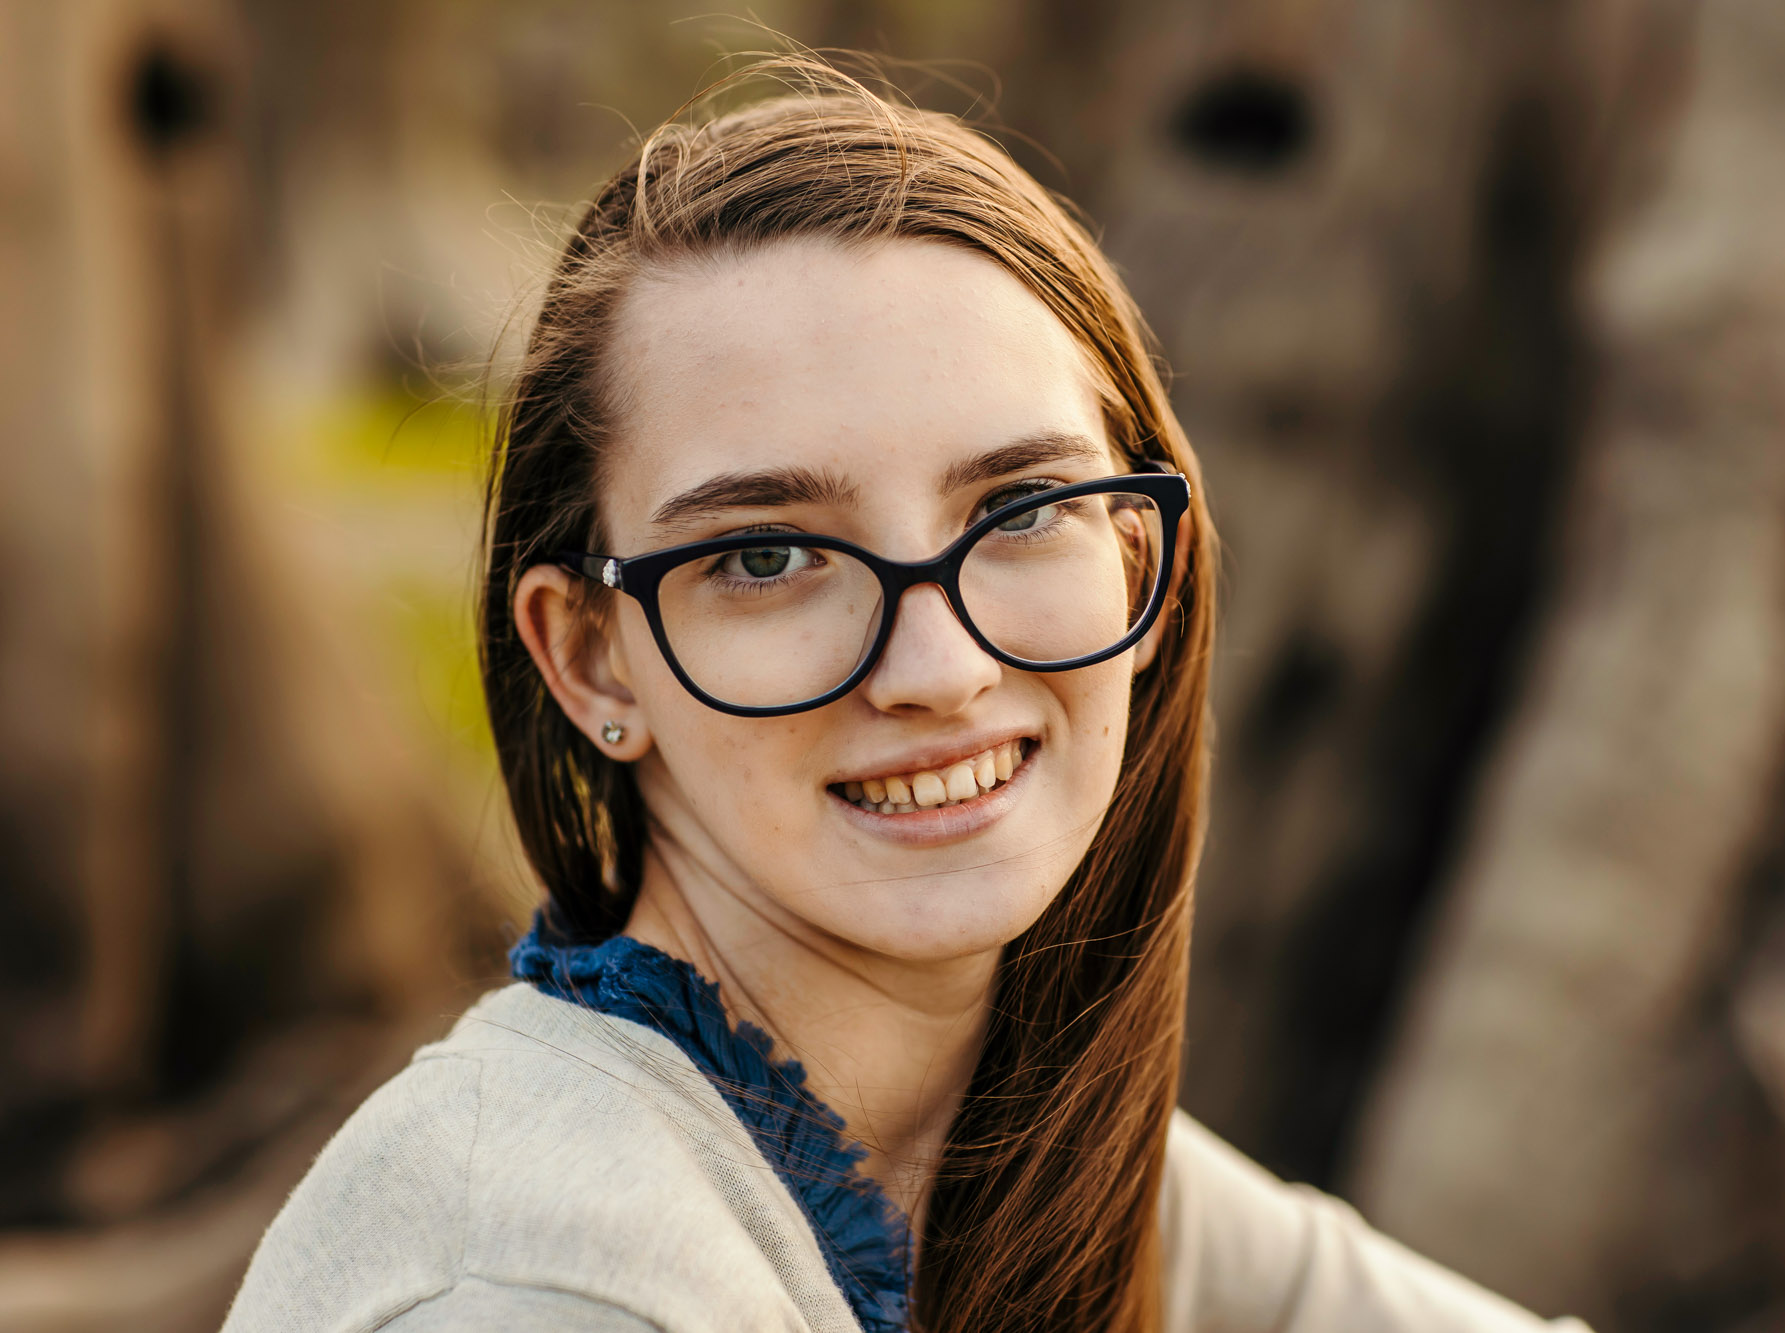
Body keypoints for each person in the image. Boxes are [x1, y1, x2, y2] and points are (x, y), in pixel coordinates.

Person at [223, 58, 1594, 1333]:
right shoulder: (525, 1278)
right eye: (768, 555)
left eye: (1025, 508)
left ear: (1138, 564)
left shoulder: (1028, 1158)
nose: (940, 669)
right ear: (590, 656)